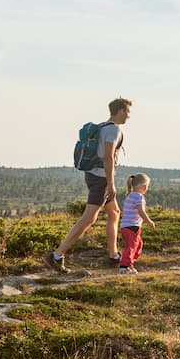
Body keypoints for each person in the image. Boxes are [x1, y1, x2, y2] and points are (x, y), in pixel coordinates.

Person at [46, 96, 131, 272]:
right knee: (88, 219)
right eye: (128, 112)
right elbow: (107, 157)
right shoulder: (113, 130)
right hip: (101, 179)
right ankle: (56, 255)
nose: (129, 116)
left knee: (114, 213)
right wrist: (111, 184)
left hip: (93, 175)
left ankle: (113, 255)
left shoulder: (102, 127)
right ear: (121, 111)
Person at [117, 172, 157, 275]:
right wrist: (149, 221)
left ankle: (129, 263)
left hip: (126, 226)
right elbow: (141, 211)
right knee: (131, 246)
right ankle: (124, 266)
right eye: (147, 186)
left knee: (138, 244)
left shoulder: (130, 196)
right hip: (132, 227)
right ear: (144, 186)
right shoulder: (139, 197)